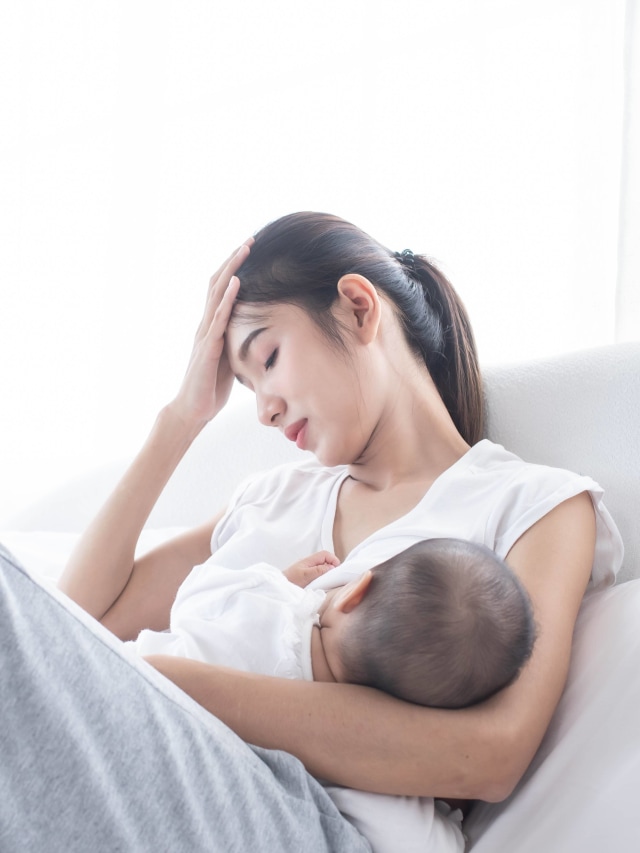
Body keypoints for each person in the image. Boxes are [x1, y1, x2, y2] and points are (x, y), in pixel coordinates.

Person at [0, 211, 624, 853]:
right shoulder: (271, 500)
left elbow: (489, 755)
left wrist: (178, 683)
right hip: (173, 782)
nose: (265, 409)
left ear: (358, 308)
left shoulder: (534, 504)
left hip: (308, 825)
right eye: (245, 385)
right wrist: (181, 419)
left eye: (267, 358)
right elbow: (67, 630)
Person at [128, 537, 536, 853]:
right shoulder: (364, 771)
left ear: (356, 589)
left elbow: (194, 592)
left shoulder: (260, 592)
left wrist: (281, 582)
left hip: (127, 681)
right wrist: (445, 814)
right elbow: (422, 843)